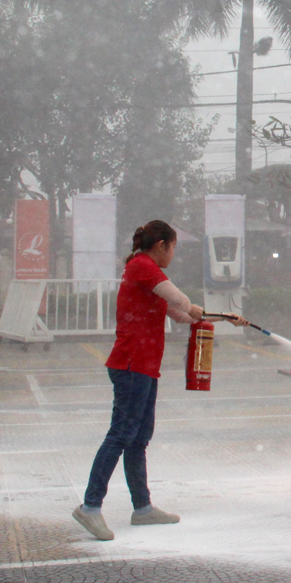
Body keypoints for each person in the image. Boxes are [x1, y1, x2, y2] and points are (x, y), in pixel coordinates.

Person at [72, 220, 246, 541]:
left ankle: (142, 508)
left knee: (138, 438)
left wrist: (224, 318)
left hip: (144, 367)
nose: (174, 254)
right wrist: (194, 308)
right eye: (173, 247)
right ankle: (90, 506)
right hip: (131, 365)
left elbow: (181, 314)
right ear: (161, 244)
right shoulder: (142, 266)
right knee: (120, 435)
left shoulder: (146, 275)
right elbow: (180, 300)